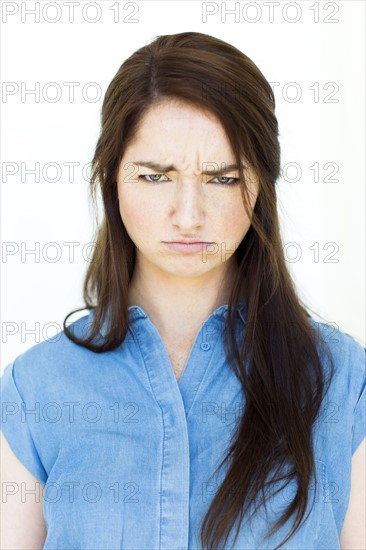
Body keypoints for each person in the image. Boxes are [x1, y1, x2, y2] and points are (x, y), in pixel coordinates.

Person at [1, 31, 365, 550]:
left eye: (221, 178)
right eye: (155, 177)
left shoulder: (343, 383)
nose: (188, 215)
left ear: (260, 185)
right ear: (113, 180)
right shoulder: (36, 391)